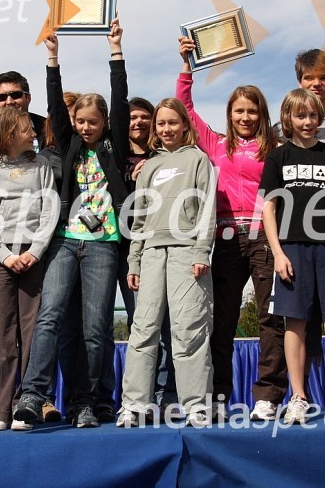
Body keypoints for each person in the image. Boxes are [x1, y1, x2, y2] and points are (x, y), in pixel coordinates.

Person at [14, 19, 130, 429]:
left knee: (96, 329)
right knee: (50, 316)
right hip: (64, 241)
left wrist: (115, 51)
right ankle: (32, 395)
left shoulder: (114, 147)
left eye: (92, 121)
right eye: (80, 121)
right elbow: (53, 106)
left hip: (103, 245)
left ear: (104, 123)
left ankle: (86, 402)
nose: (85, 127)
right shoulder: (69, 145)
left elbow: (120, 99)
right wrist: (52, 58)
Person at [176, 37, 281, 421]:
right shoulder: (216, 145)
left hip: (265, 237)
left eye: (252, 111)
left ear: (261, 114)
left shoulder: (274, 147)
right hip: (224, 238)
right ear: (229, 114)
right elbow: (185, 110)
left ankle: (268, 395)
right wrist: (187, 65)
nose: (245, 117)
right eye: (239, 111)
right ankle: (218, 396)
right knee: (221, 320)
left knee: (271, 319)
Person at [259, 88, 325, 424]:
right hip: (292, 249)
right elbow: (268, 208)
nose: (307, 122)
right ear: (287, 119)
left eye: (313, 115)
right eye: (300, 115)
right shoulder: (278, 157)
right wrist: (278, 253)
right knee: (295, 323)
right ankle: (298, 396)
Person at [0, 71, 63, 422]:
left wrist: (35, 251)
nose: (33, 134)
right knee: (1, 333)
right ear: (8, 134)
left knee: (33, 330)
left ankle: (28, 402)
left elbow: (50, 209)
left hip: (35, 255)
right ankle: (1, 408)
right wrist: (4, 255)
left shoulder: (41, 165)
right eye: (25, 131)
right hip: (1, 257)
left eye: (16, 95)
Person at [117, 97, 216, 427]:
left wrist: (202, 252)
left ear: (185, 125)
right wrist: (134, 261)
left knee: (189, 330)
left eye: (173, 122)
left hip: (187, 254)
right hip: (151, 256)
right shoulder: (149, 166)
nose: (166, 128)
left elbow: (207, 210)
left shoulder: (198, 159)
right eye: (161, 123)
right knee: (143, 330)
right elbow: (140, 218)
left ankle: (196, 406)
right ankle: (134, 405)